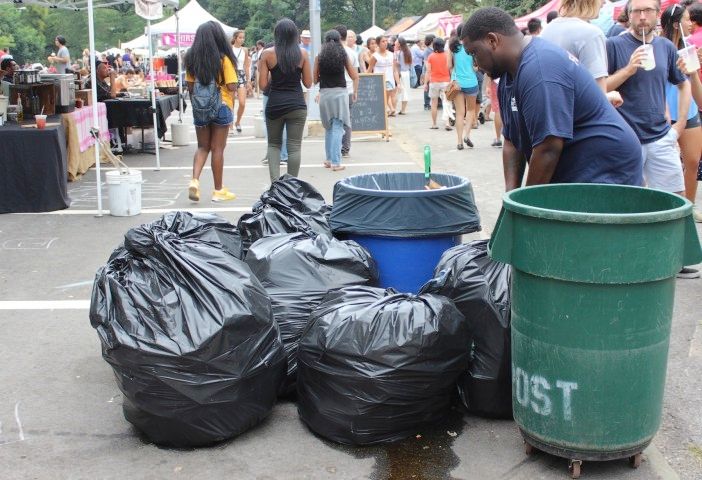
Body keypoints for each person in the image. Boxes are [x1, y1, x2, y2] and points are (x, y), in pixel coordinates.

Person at [460, 7, 644, 189]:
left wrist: (526, 207)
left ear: (492, 40)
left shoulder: (539, 69)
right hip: (575, 168)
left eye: (474, 53)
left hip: (606, 168)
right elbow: (511, 141)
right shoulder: (508, 77)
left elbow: (548, 148)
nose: (475, 65)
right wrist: (511, 199)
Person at [606, 0, 690, 195]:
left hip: (660, 137)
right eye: (636, 11)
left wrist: (681, 124)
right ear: (629, 14)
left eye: (647, 11)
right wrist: (628, 70)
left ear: (657, 13)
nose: (642, 17)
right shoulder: (613, 45)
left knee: (675, 199)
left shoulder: (665, 46)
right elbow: (598, 88)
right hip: (624, 138)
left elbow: (683, 84)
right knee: (626, 202)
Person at [184, 21, 239, 203]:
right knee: (218, 148)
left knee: (202, 147)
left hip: (200, 108)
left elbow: (191, 87)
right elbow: (231, 86)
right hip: (221, 106)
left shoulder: (191, 59)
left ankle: (194, 180)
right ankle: (218, 190)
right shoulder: (223, 59)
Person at [661, 4, 702, 222]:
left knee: (693, 161)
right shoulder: (658, 48)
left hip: (691, 113)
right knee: (666, 165)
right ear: (677, 24)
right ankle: (667, 208)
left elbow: (699, 98)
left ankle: (688, 208)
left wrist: (693, 73)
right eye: (687, 19)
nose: (691, 23)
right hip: (663, 116)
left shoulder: (689, 50)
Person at [541, 0, 624, 107]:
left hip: (554, 112)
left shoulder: (547, 30)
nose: (603, 3)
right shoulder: (591, 34)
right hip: (580, 117)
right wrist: (610, 96)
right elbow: (598, 97)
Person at [259, 18, 312, 183]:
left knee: (274, 145)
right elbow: (308, 83)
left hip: (275, 104)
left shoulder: (267, 54)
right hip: (297, 104)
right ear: (295, 35)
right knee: (294, 146)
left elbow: (262, 85)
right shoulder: (302, 54)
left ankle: (275, 185)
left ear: (277, 35)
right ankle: (291, 186)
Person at [315, 29, 358, 171]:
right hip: (340, 94)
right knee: (338, 127)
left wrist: (324, 77)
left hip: (325, 94)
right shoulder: (342, 55)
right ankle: (335, 162)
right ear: (339, 40)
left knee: (328, 128)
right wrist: (355, 91)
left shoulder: (319, 57)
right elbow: (354, 75)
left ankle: (328, 159)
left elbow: (315, 79)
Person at [448, 25, 479, 149]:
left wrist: (454, 77)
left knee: (460, 113)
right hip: (471, 82)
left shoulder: (453, 48)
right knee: (471, 110)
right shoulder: (471, 47)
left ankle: (459, 142)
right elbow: (476, 68)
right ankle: (467, 135)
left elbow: (449, 66)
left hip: (457, 84)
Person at [334, 25, 359, 157]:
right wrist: (355, 91)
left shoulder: (331, 52)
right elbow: (356, 75)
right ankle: (345, 148)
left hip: (334, 90)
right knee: (347, 120)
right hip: (349, 90)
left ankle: (335, 147)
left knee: (336, 119)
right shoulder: (353, 53)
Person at [425, 37, 452, 130]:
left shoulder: (431, 56)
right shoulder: (447, 55)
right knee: (447, 102)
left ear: (434, 46)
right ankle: (447, 123)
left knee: (434, 104)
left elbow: (428, 71)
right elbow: (450, 69)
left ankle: (434, 124)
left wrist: (425, 84)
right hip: (446, 82)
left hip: (434, 82)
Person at [368, 36, 398, 116]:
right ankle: (386, 112)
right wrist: (367, 81)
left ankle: (388, 111)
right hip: (379, 80)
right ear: (378, 44)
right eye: (383, 41)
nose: (385, 43)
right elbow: (369, 69)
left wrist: (398, 83)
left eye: (386, 41)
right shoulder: (375, 56)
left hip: (390, 79)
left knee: (386, 97)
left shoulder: (392, 55)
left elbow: (395, 70)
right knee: (382, 98)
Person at [231, 30, 251, 133]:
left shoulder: (245, 50)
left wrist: (248, 81)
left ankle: (238, 122)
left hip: (241, 74)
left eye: (243, 38)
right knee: (231, 102)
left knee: (242, 103)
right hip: (230, 74)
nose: (242, 39)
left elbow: (246, 66)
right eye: (240, 37)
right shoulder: (229, 48)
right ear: (235, 38)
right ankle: (230, 124)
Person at [394, 37, 413, 115]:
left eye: (396, 42)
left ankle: (393, 109)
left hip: (400, 73)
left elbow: (396, 65)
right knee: (405, 92)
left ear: (399, 44)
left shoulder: (397, 53)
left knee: (397, 92)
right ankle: (403, 110)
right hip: (406, 73)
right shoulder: (408, 52)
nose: (395, 42)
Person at [422, 34, 436, 110]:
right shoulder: (427, 50)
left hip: (433, 70)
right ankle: (426, 104)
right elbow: (425, 62)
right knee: (427, 86)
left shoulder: (433, 49)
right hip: (428, 70)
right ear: (431, 40)